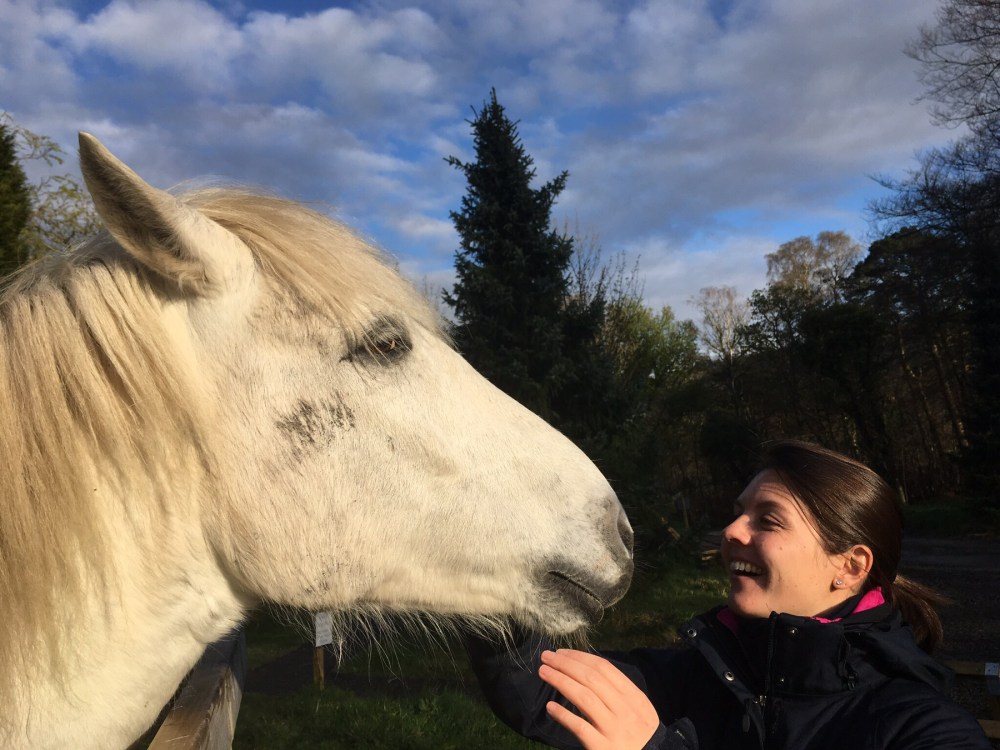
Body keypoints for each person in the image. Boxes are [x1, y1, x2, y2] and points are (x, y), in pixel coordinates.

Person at [467, 440, 992, 749]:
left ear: (850, 567)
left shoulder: (920, 728)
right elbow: (541, 685)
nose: (732, 531)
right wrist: (484, 563)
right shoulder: (700, 675)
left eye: (768, 520)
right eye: (739, 513)